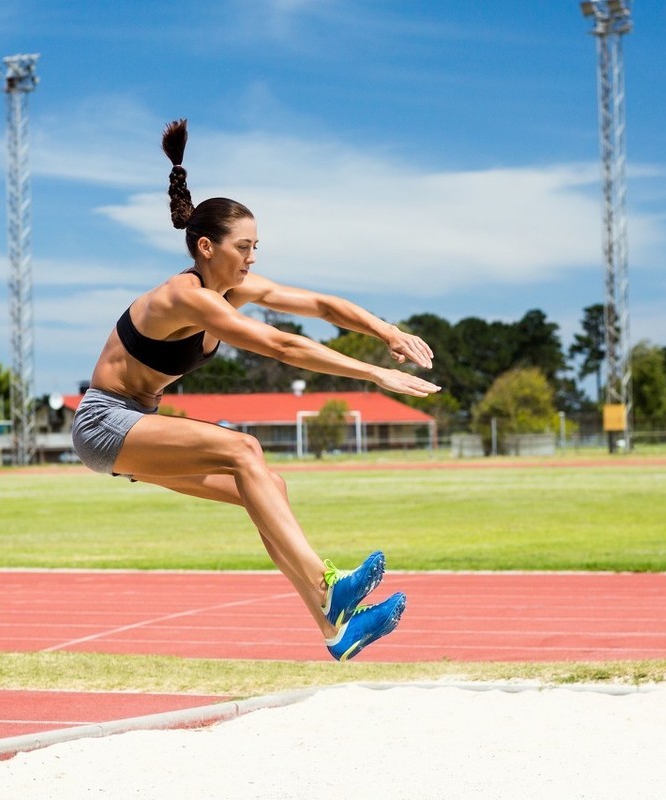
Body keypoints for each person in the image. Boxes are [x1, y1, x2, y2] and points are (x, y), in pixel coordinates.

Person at [71, 119, 441, 661]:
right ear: (205, 246)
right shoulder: (185, 297)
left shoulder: (231, 290)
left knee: (267, 485)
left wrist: (386, 332)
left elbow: (320, 306)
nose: (252, 258)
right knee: (244, 449)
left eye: (256, 246)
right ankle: (328, 584)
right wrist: (375, 375)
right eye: (244, 246)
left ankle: (335, 631)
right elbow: (283, 347)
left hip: (135, 427)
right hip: (105, 423)